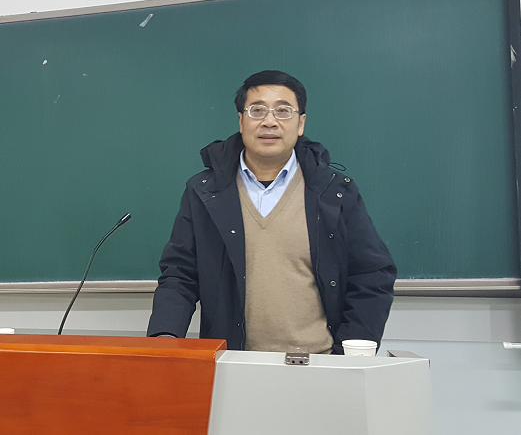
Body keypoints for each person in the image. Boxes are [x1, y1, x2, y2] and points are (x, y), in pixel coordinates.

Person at [147, 70, 396, 354]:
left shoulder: (335, 193)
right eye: (257, 110)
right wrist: (164, 336)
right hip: (232, 363)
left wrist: (347, 352)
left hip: (320, 364)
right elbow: (180, 274)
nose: (269, 121)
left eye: (283, 111)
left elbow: (372, 275)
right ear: (241, 121)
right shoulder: (204, 192)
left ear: (301, 123)